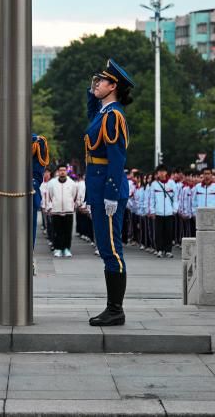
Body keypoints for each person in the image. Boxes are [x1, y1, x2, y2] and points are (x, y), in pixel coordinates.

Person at [84, 59, 133, 327]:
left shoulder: (114, 116)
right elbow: (91, 111)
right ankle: (113, 308)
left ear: (113, 86)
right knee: (105, 248)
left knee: (112, 250)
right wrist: (92, 91)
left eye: (101, 81)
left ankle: (116, 309)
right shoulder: (103, 113)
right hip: (98, 187)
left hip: (107, 188)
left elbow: (117, 157)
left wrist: (111, 193)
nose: (97, 84)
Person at [45, 164, 78, 258]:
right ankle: (58, 249)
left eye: (64, 170)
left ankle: (66, 249)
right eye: (61, 170)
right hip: (56, 210)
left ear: (66, 171)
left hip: (68, 210)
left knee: (67, 230)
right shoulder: (52, 183)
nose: (62, 172)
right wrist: (50, 207)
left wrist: (71, 205)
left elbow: (74, 195)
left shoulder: (72, 183)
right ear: (58, 172)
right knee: (57, 230)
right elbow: (49, 195)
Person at [148, 165, 177, 258]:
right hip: (158, 212)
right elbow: (151, 198)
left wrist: (174, 209)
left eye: (163, 171)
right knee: (158, 232)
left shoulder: (172, 183)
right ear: (157, 173)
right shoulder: (154, 184)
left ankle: (168, 250)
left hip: (169, 212)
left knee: (169, 232)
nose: (161, 173)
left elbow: (176, 197)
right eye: (159, 171)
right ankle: (159, 249)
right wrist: (152, 210)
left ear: (166, 172)